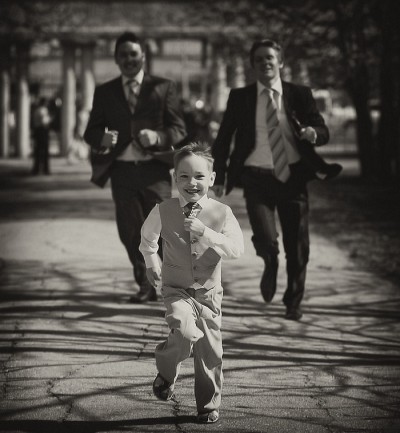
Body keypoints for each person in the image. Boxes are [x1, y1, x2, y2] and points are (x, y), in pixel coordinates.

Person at [212, 39, 342, 321]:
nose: (265, 62)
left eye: (270, 57)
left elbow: (322, 129)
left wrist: (313, 133)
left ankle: (293, 301)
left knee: (297, 247)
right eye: (259, 59)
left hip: (293, 178)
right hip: (256, 179)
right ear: (252, 65)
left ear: (280, 62)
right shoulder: (240, 97)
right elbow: (223, 139)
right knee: (267, 239)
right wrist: (219, 176)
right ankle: (270, 262)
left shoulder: (299, 94)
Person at [139, 142, 244, 423]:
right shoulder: (163, 210)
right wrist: (152, 263)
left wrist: (206, 233)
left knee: (210, 351)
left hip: (209, 294)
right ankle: (167, 371)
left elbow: (236, 249)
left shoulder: (222, 212)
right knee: (184, 332)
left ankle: (208, 406)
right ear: (175, 178)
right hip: (176, 290)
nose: (191, 183)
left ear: (212, 178)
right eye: (184, 176)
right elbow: (147, 240)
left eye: (199, 176)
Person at [84, 31, 186, 303]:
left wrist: (158, 136)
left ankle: (169, 281)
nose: (129, 59)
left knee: (162, 230)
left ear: (143, 56)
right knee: (131, 232)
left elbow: (178, 128)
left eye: (133, 54)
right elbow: (90, 132)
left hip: (155, 170)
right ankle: (145, 284)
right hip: (122, 171)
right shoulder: (105, 92)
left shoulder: (163, 87)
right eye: (123, 55)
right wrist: (102, 138)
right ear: (116, 59)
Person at [31, 97, 52, 175]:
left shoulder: (36, 110)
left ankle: (36, 169)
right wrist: (50, 119)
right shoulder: (43, 110)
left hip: (37, 131)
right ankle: (45, 169)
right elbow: (44, 121)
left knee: (37, 151)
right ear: (44, 103)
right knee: (45, 151)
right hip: (42, 131)